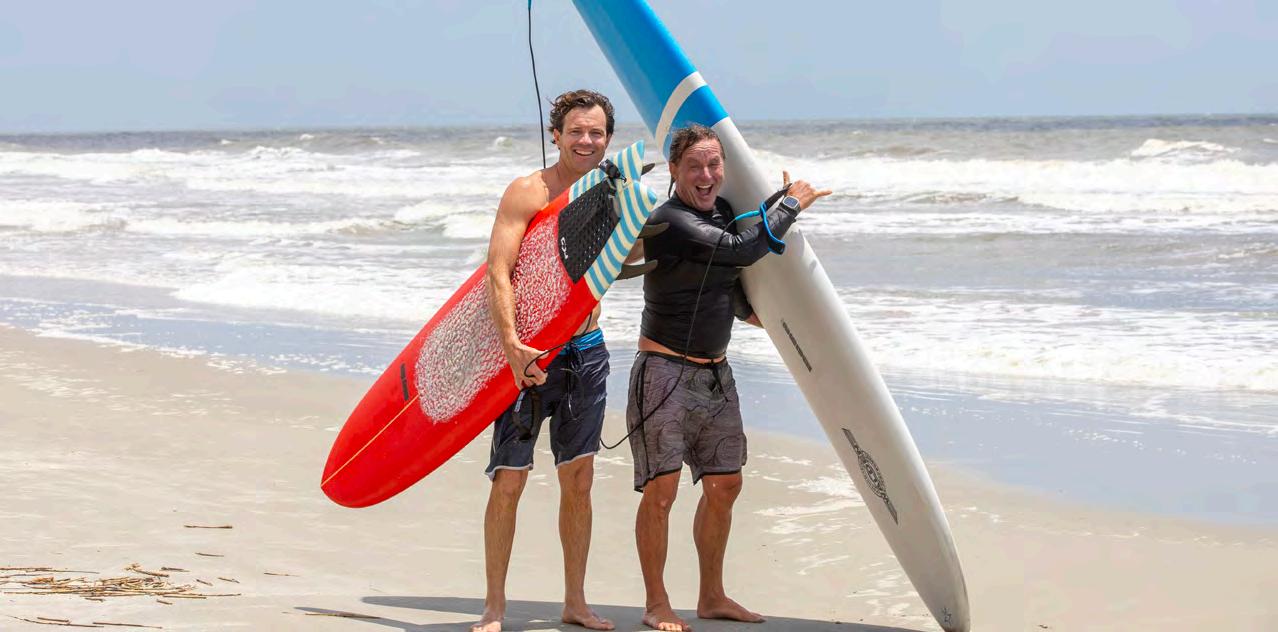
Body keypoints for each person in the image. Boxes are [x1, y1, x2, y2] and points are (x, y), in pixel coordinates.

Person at [627, 123, 831, 632]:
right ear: (674, 170)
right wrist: (791, 204)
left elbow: (726, 274)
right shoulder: (669, 221)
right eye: (694, 165)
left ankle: (712, 596)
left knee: (725, 485)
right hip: (664, 375)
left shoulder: (719, 212)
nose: (706, 174)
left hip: (716, 375)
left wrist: (760, 312)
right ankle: (656, 603)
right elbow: (739, 249)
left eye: (714, 164)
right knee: (662, 492)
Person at [476, 89, 620, 632]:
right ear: (555, 135)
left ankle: (575, 602)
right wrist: (512, 345)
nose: (586, 141)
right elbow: (498, 270)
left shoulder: (611, 194)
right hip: (531, 355)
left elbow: (621, 260)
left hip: (586, 350)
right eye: (576, 131)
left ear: (608, 139)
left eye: (596, 132)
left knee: (578, 479)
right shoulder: (527, 192)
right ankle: (494, 607)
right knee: (509, 479)